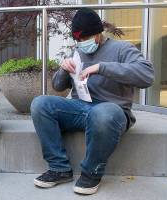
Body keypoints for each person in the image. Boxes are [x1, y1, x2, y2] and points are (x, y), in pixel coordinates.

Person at [31, 8, 154, 195]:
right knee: (40, 104)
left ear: (98, 34)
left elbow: (147, 76)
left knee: (101, 114)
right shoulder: (77, 51)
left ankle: (91, 172)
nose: (81, 43)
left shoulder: (122, 49)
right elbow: (58, 86)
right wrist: (63, 69)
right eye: (77, 40)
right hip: (80, 108)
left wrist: (102, 67)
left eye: (84, 39)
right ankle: (59, 168)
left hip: (111, 111)